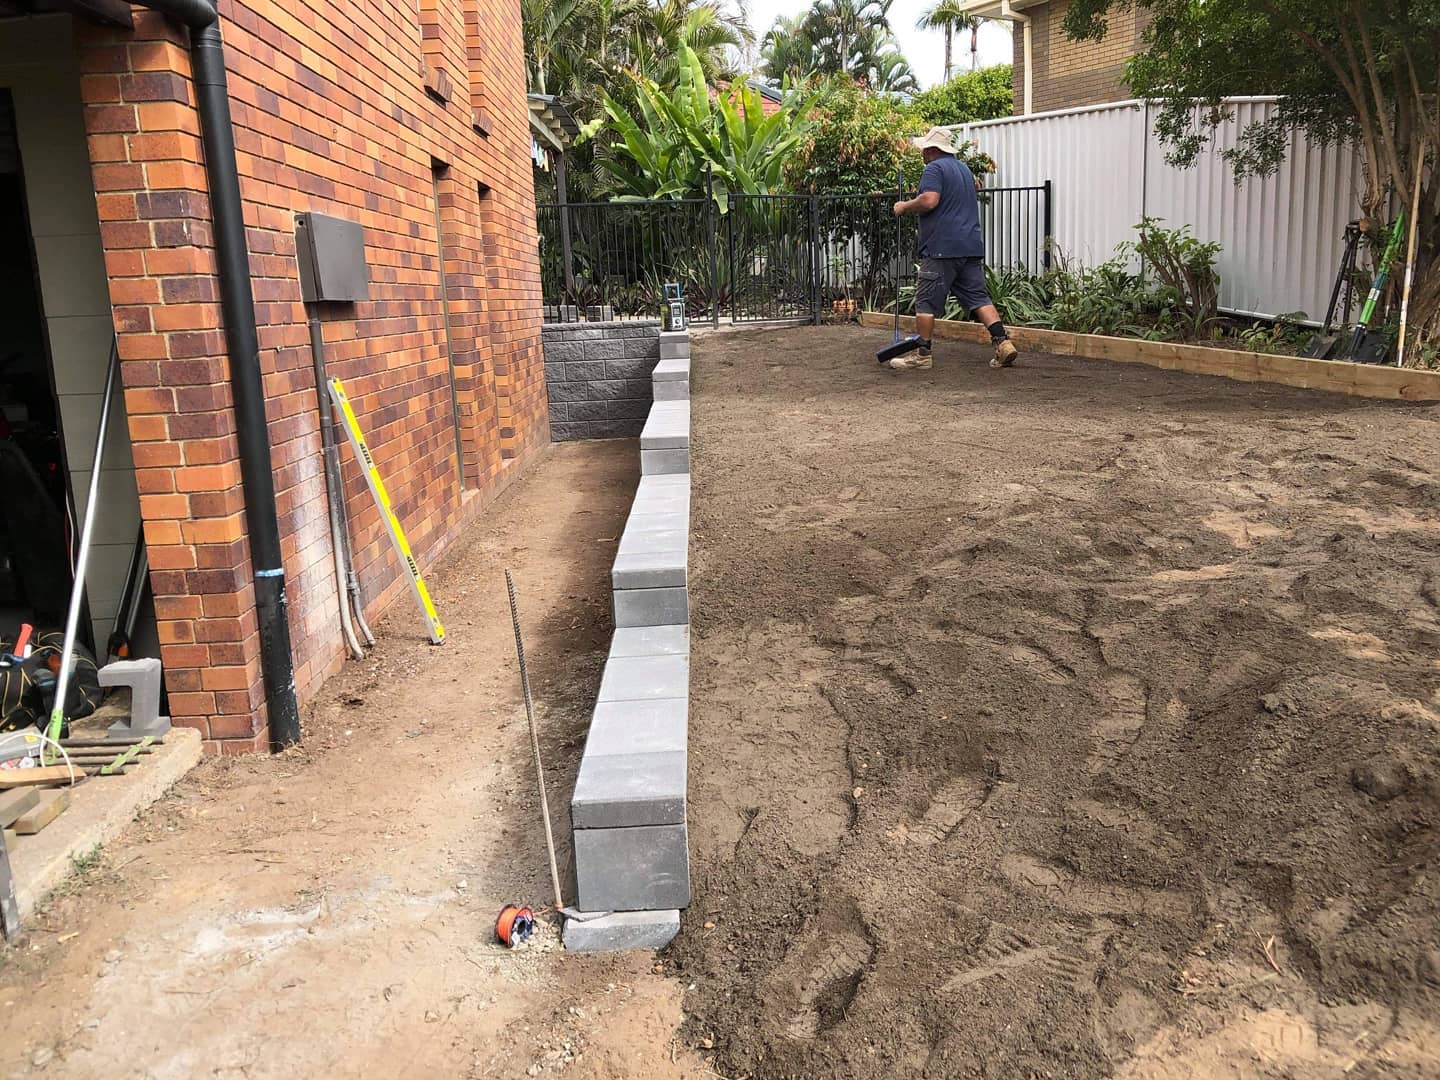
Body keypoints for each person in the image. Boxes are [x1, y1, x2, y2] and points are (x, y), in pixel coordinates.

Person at [891, 127, 1017, 372]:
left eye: (925, 149)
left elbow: (929, 200)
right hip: (969, 245)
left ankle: (923, 355)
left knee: (925, 302)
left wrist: (904, 206)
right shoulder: (964, 170)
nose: (922, 153)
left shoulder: (934, 168)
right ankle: (1003, 343)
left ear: (932, 150)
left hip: (941, 247)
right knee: (978, 297)